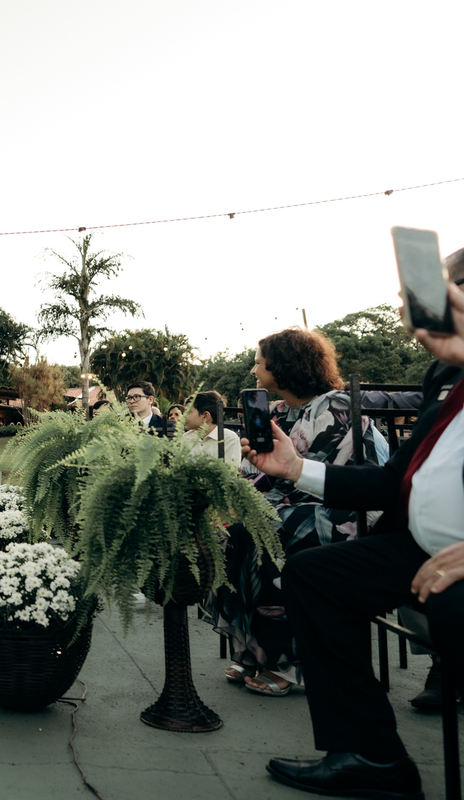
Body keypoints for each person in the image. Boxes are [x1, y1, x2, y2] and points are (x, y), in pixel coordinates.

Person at [246, 256, 464, 799]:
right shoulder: (446, 375)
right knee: (312, 576)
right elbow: (392, 478)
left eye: (431, 292)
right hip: (417, 545)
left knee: (452, 607)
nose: (407, 306)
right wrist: (295, 470)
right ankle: (370, 754)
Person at [210, 328, 389, 697]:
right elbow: (261, 475)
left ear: (282, 365)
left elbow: (310, 477)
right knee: (232, 530)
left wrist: (261, 492)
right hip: (291, 503)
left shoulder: (335, 406)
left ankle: (287, 662)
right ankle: (255, 647)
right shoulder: (276, 411)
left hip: (344, 509)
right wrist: (246, 472)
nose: (252, 370)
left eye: (259, 363)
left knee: (269, 531)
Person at [180, 390, 241, 467]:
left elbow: (230, 472)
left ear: (205, 416)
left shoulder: (228, 438)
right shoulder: (186, 437)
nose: (183, 416)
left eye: (188, 412)